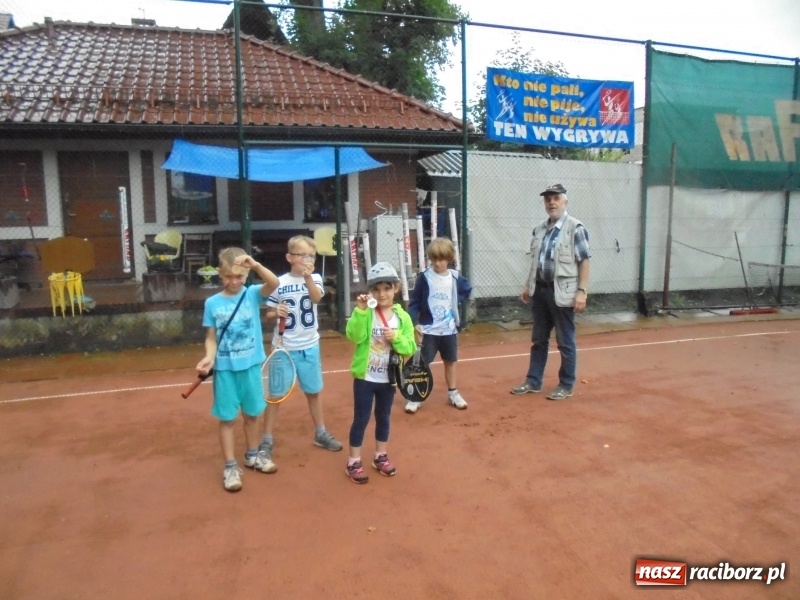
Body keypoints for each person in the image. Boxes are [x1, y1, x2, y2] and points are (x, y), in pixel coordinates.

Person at [196, 247, 279, 492]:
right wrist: (209, 357)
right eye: (228, 276)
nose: (234, 281)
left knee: (253, 415)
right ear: (220, 275)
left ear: (246, 275)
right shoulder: (212, 303)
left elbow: (273, 282)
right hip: (225, 371)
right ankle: (230, 466)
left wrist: (255, 265)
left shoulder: (253, 294)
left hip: (251, 367)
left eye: (239, 276)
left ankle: (252, 455)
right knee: (227, 418)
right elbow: (210, 336)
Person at [259, 235, 342, 469]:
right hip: (283, 348)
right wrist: (277, 313)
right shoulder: (278, 282)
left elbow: (316, 298)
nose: (307, 259)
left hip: (309, 347)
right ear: (289, 257)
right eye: (301, 255)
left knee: (313, 392)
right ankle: (266, 439)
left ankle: (320, 432)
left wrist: (307, 277)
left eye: (311, 256)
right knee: (275, 396)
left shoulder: (314, 278)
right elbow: (268, 314)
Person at [511, 183, 591, 401]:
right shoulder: (539, 229)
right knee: (538, 339)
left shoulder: (576, 228)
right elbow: (535, 262)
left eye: (556, 198)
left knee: (565, 341)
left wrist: (582, 291)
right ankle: (533, 381)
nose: (551, 202)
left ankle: (566, 384)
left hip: (563, 294)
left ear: (565, 201)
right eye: (548, 199)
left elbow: (584, 261)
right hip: (541, 292)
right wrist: (528, 285)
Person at [344, 262, 417, 484]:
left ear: (396, 288)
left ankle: (380, 456)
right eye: (376, 289)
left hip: (388, 378)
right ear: (370, 292)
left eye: (387, 288)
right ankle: (353, 461)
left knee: (383, 416)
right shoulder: (366, 313)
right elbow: (353, 336)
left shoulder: (402, 317)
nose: (382, 293)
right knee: (361, 418)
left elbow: (410, 347)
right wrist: (359, 311)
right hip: (365, 378)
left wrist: (397, 337)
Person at [406, 237, 473, 413]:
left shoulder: (455, 277)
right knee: (422, 363)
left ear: (449, 259)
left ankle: (453, 393)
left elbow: (467, 290)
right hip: (428, 330)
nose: (438, 263)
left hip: (449, 330)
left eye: (441, 259)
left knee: (450, 361)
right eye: (434, 259)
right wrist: (414, 323)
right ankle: (416, 396)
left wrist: (455, 301)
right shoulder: (424, 277)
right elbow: (414, 303)